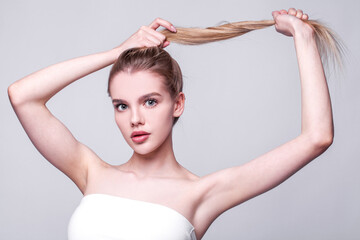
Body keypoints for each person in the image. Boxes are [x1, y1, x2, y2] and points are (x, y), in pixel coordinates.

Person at [8, 8, 335, 240]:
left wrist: (303, 37)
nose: (135, 118)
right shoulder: (90, 172)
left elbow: (317, 138)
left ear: (177, 104)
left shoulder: (201, 194)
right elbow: (22, 95)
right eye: (122, 105)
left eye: (150, 101)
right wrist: (117, 52)